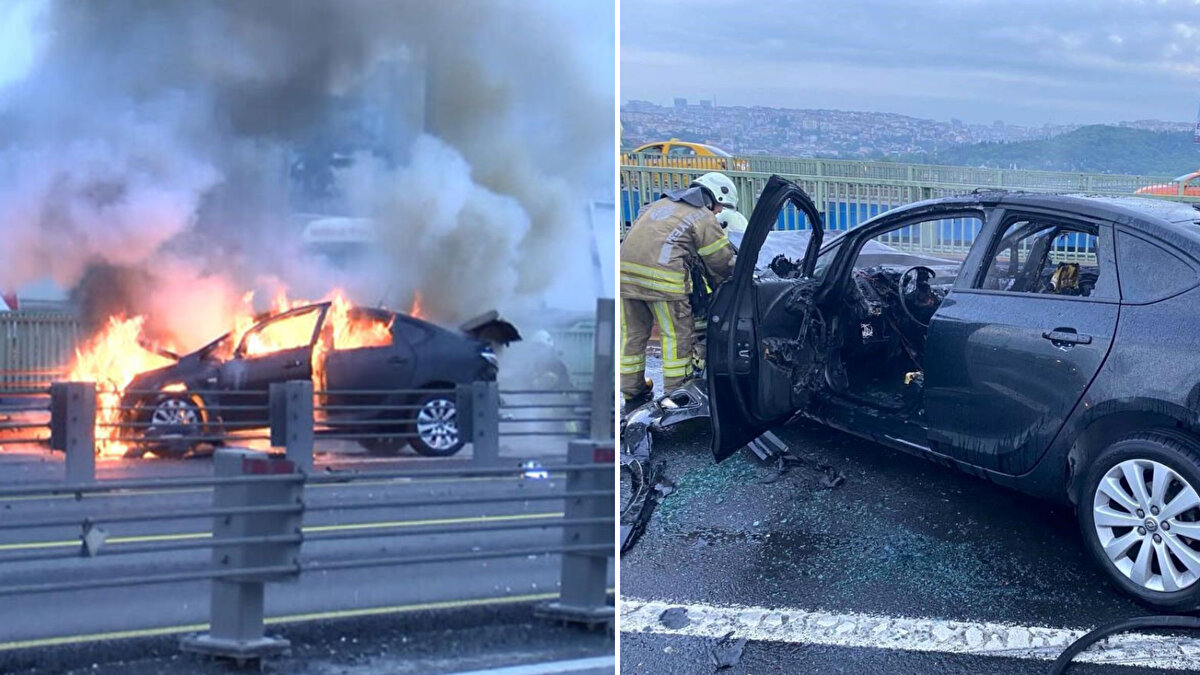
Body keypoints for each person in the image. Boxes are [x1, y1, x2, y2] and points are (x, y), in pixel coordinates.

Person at [619, 171, 737, 409]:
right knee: (676, 337)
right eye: (720, 207)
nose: (718, 213)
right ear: (713, 197)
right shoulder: (701, 216)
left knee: (632, 335)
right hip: (663, 283)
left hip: (624, 278)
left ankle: (632, 390)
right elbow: (719, 261)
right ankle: (677, 394)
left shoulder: (658, 205)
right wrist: (732, 283)